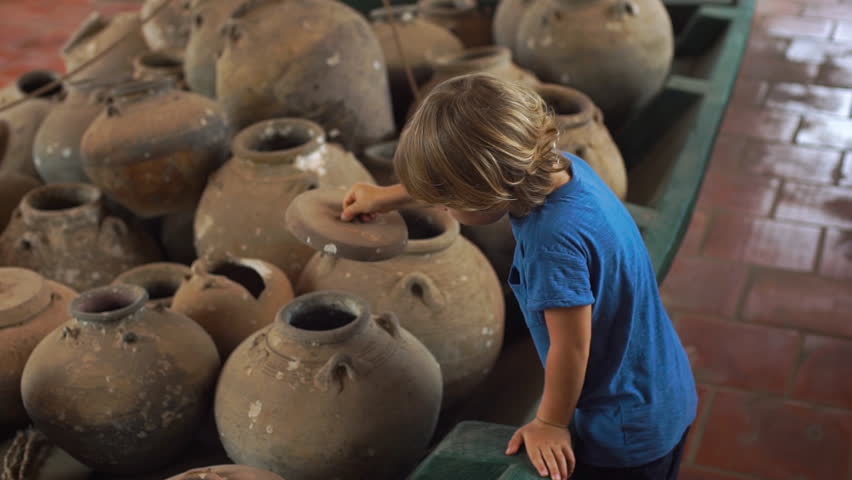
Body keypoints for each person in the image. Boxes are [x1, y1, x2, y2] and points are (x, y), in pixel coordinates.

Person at [339, 73, 697, 480]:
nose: (442, 208)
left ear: (487, 190)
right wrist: (388, 196)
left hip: (624, 431)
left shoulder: (552, 243)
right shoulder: (560, 167)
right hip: (661, 386)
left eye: (448, 201)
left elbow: (572, 348)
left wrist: (551, 422)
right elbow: (468, 174)